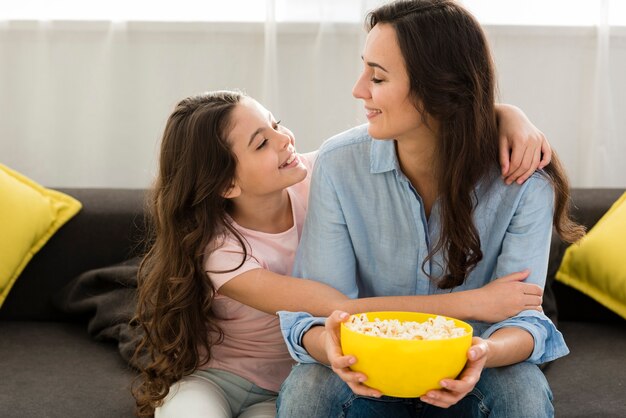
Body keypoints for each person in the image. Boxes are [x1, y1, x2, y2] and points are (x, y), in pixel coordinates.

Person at [276, 1, 585, 417]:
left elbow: (526, 322)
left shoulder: (524, 179)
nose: (358, 89)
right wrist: (329, 347)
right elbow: (313, 313)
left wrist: (482, 352)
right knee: (308, 390)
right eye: (364, 69)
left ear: (439, 89)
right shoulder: (339, 164)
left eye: (378, 77)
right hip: (366, 368)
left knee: (522, 393)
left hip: (472, 369)